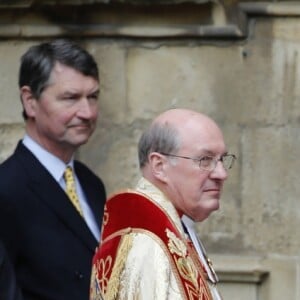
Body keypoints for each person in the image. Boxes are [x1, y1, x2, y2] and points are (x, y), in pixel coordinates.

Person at [90, 108, 236, 300]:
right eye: (205, 160)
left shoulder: (174, 226)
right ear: (159, 166)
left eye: (222, 160)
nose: (222, 174)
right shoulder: (148, 242)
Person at [0, 39, 106, 300]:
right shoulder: (6, 189)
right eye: (70, 98)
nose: (87, 112)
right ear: (30, 101)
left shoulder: (90, 183)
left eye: (92, 97)